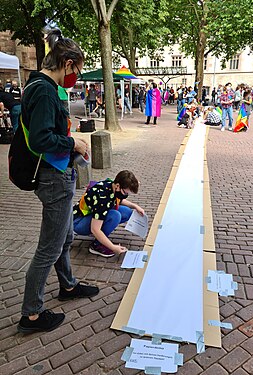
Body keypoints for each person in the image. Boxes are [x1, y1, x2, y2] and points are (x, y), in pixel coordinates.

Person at [17, 28, 99, 334]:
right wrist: (73, 144)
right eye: (76, 69)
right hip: (52, 178)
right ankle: (32, 314)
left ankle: (67, 285)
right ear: (66, 62)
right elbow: (40, 139)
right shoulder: (43, 89)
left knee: (64, 238)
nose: (76, 75)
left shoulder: (43, 87)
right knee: (49, 248)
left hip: (58, 175)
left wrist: (68, 140)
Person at [73, 170, 145, 257]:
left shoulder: (112, 184)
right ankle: (96, 246)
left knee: (127, 212)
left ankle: (102, 237)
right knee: (115, 216)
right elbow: (95, 229)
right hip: (78, 222)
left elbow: (119, 199)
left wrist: (135, 206)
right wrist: (113, 247)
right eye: (125, 193)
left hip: (90, 214)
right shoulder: (102, 198)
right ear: (118, 186)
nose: (126, 195)